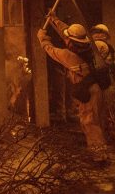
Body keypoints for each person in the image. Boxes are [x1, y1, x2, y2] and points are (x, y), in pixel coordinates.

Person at [38, 15, 108, 156]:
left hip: (88, 92)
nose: (66, 40)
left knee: (89, 122)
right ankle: (99, 149)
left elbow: (49, 49)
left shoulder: (69, 56)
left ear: (72, 42)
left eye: (68, 39)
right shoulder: (88, 47)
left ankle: (99, 154)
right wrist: (54, 19)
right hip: (97, 89)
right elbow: (66, 32)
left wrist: (42, 37)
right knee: (95, 120)